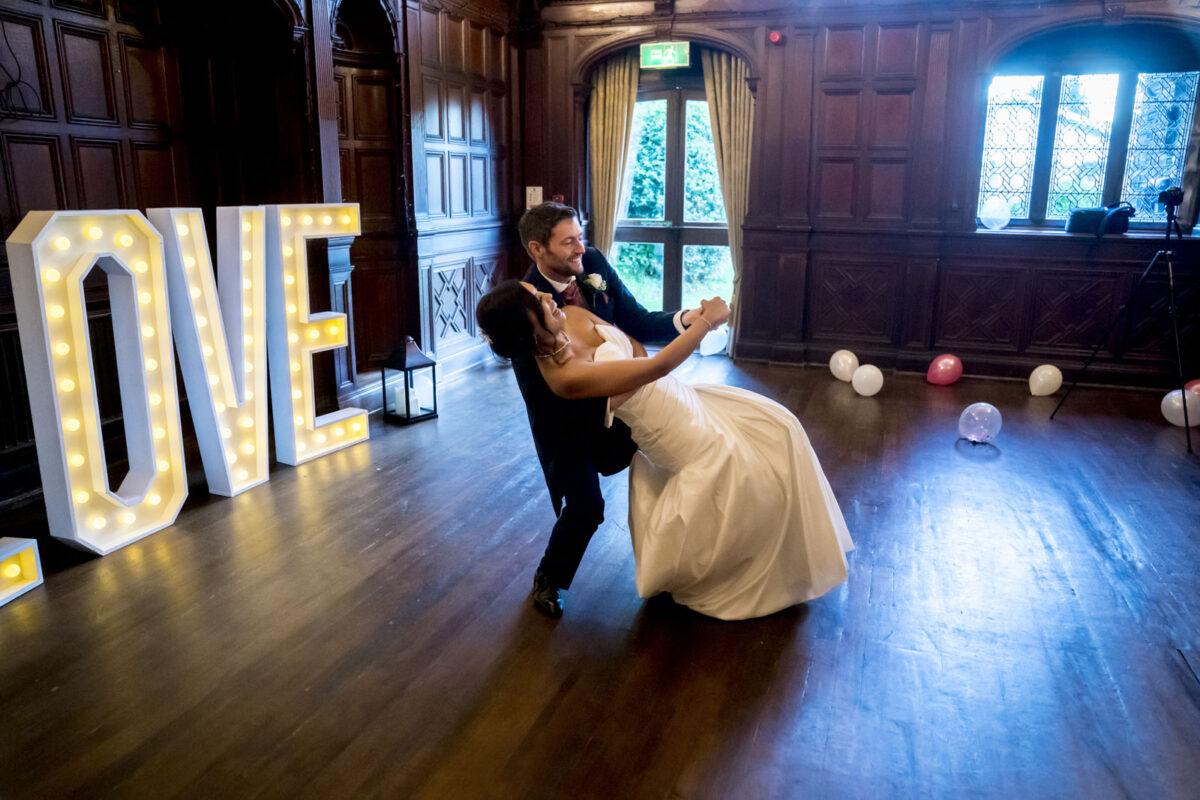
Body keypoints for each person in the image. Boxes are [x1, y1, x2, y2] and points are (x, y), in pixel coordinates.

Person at [477, 280, 854, 621]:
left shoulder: (572, 311)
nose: (548, 296)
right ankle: (551, 577)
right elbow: (656, 365)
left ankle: (775, 559)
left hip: (672, 398)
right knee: (592, 506)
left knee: (777, 428)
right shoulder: (562, 377)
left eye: (540, 291)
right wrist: (707, 323)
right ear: (528, 330)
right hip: (597, 427)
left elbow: (635, 344)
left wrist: (642, 370)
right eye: (537, 300)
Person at [500, 202, 703, 618]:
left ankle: (681, 564)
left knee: (681, 464)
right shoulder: (524, 305)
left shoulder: (591, 262)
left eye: (581, 236)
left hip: (632, 401)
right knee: (587, 508)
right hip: (567, 417)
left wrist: (689, 318)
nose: (581, 248)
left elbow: (639, 322)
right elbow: (543, 390)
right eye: (569, 241)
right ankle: (549, 579)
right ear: (537, 249)